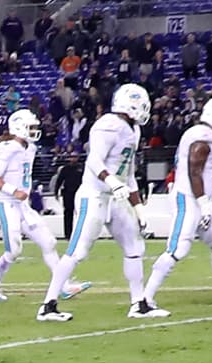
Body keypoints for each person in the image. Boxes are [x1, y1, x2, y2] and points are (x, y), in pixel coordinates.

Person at [37, 84, 151, 322]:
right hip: (95, 195)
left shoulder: (134, 130)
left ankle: (139, 304)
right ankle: (48, 305)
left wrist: (138, 207)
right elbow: (94, 161)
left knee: (134, 248)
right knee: (77, 251)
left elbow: (128, 174)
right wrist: (113, 182)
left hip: (116, 197)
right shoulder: (108, 124)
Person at [142, 97, 212, 315]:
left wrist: (204, 203)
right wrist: (203, 204)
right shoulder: (204, 137)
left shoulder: (203, 133)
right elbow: (194, 172)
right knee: (177, 249)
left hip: (199, 198)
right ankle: (144, 300)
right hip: (190, 199)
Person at [0, 109, 63, 304]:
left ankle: (62, 285)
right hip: (7, 204)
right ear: (19, 127)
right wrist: (14, 190)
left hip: (23, 206)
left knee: (48, 242)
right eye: (31, 127)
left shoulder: (30, 148)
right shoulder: (7, 148)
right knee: (13, 251)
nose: (34, 131)